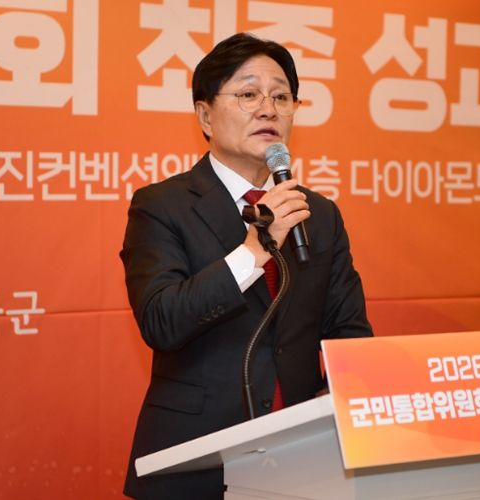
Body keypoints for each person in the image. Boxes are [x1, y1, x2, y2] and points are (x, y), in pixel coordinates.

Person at [120, 32, 372, 499]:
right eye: (248, 94)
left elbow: (349, 333)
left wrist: (331, 400)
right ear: (205, 115)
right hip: (194, 459)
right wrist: (255, 250)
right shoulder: (161, 206)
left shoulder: (319, 214)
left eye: (281, 97)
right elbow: (162, 320)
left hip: (302, 458)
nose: (268, 109)